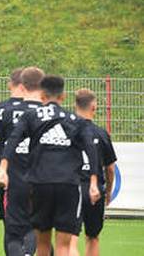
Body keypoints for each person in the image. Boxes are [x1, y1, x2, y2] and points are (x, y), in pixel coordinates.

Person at [0, 76, 101, 256]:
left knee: (43, 243)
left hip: (40, 183)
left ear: (43, 96)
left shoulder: (31, 116)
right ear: (63, 96)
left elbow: (13, 139)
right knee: (63, 245)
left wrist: (3, 168)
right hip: (68, 184)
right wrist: (93, 182)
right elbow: (90, 149)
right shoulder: (74, 120)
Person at [0, 66, 44, 256]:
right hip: (36, 173)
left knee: (11, 227)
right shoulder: (43, 112)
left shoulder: (0, 110)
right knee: (36, 226)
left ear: (13, 85)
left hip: (7, 172)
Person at [73, 88, 117, 256]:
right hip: (95, 190)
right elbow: (110, 168)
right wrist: (108, 192)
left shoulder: (68, 131)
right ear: (94, 107)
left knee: (69, 238)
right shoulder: (101, 133)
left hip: (72, 187)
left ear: (75, 106)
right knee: (93, 237)